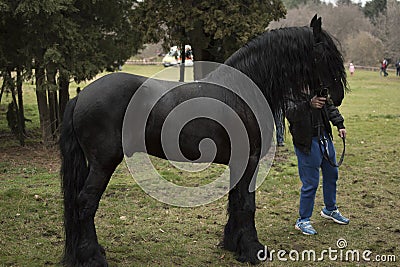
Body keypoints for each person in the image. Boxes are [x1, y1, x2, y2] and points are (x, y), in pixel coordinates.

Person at [284, 87, 349, 235]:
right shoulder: (290, 88)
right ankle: (303, 220)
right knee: (310, 183)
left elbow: (329, 105)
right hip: (306, 142)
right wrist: (309, 104)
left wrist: (339, 124)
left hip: (324, 137)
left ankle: (330, 210)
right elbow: (290, 113)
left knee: (332, 175)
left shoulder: (318, 84)